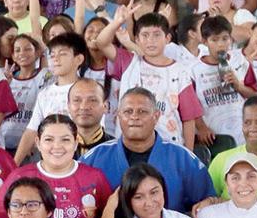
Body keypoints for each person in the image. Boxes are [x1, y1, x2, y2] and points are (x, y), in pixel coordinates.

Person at [83, 88, 213, 211]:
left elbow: (206, 205)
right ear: (118, 116)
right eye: (128, 111)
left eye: (142, 111)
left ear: (156, 116)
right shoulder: (94, 158)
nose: (134, 117)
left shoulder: (182, 158)